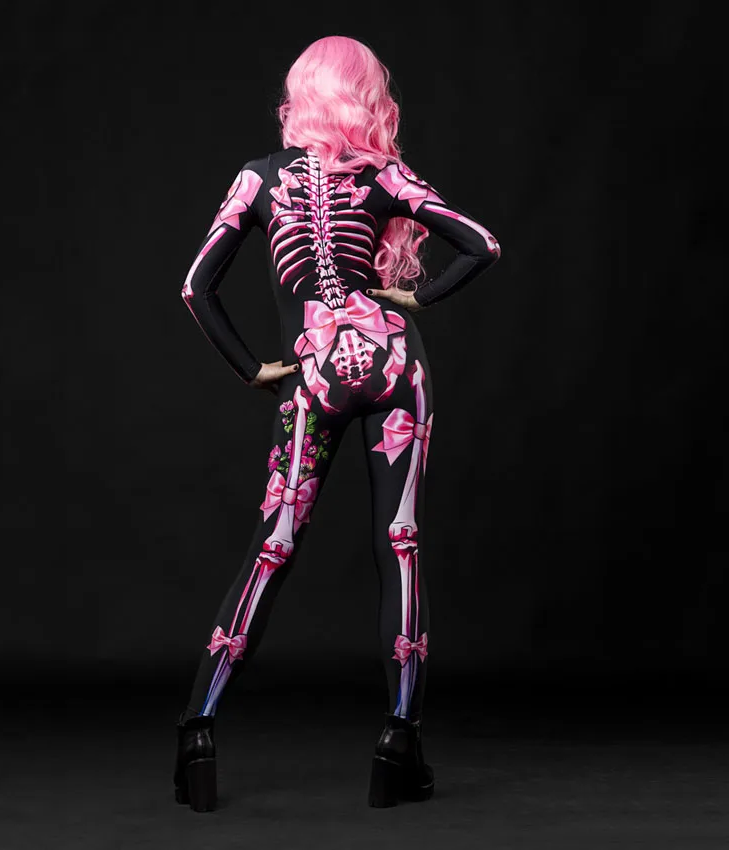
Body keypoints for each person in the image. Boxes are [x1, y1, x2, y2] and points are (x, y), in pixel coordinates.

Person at [172, 35, 501, 812]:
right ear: (367, 97)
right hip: (393, 362)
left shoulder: (257, 179)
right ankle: (399, 742)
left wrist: (253, 368)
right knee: (402, 542)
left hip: (313, 371)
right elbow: (482, 245)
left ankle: (198, 734)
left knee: (275, 544)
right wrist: (418, 298)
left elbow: (195, 288)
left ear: (299, 96)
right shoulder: (383, 175)